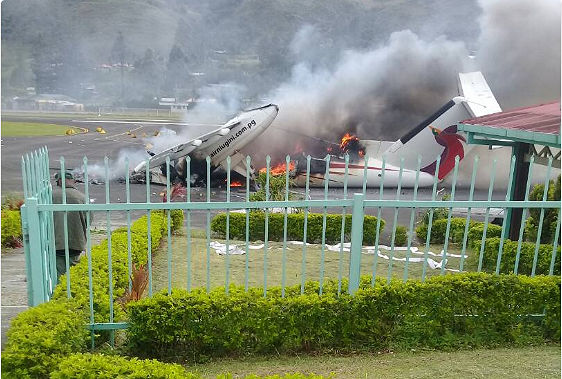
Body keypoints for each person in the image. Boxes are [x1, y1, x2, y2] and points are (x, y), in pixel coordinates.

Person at [52, 171, 90, 279]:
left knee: (60, 274)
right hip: (76, 241)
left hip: (57, 242)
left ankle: (61, 294)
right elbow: (88, 220)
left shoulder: (51, 196)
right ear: (73, 181)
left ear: (59, 181)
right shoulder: (82, 197)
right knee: (74, 274)